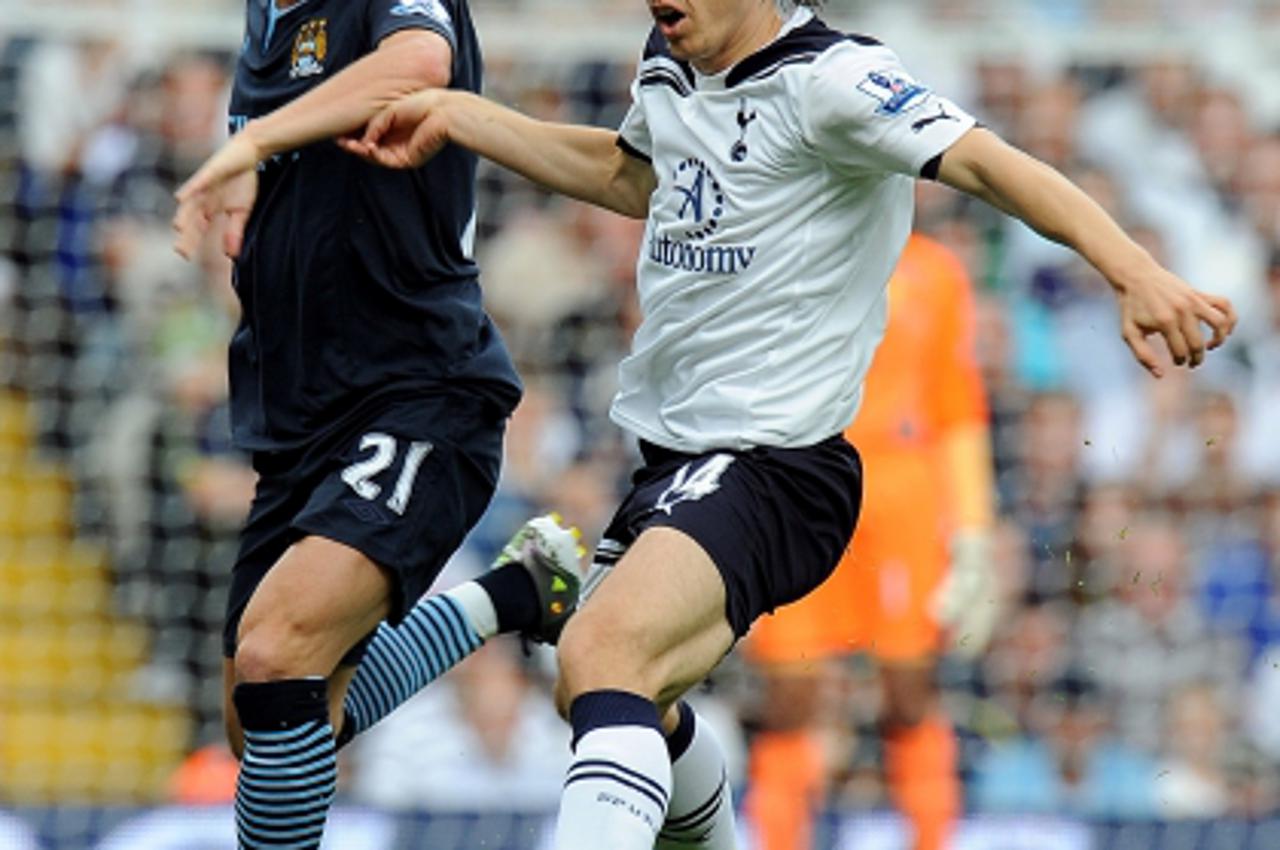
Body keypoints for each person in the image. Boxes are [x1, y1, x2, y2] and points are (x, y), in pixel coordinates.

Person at [175, 1, 1237, 848]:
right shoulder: (670, 67)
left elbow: (987, 161)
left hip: (778, 467)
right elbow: (631, 175)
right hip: (675, 465)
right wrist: (466, 120)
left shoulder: (834, 81)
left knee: (601, 653)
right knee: (615, 692)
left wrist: (1133, 272)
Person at [170, 1, 583, 847]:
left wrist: (254, 141)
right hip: (296, 427)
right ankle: (513, 594)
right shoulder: (267, 16)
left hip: (421, 396)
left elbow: (420, 63)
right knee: (266, 727)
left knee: (277, 655)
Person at [745, 232, 996, 850]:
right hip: (800, 481)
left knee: (910, 690)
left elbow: (955, 404)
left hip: (899, 493)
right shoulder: (785, 244)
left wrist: (973, 533)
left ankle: (931, 839)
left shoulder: (934, 269)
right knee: (791, 691)